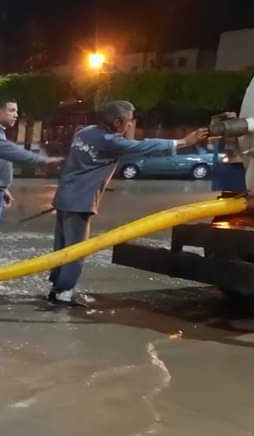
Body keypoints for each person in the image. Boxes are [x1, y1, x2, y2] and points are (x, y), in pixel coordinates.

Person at [49, 101, 208, 307]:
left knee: (62, 247)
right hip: (80, 201)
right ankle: (64, 293)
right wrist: (183, 142)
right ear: (117, 122)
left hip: (64, 196)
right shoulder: (110, 141)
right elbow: (143, 147)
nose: (131, 124)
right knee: (77, 250)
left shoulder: (84, 133)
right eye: (129, 120)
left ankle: (56, 287)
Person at [0, 99, 62, 284]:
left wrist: (3, 188)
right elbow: (12, 152)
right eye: (11, 110)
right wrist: (43, 160)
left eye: (16, 111)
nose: (16, 115)